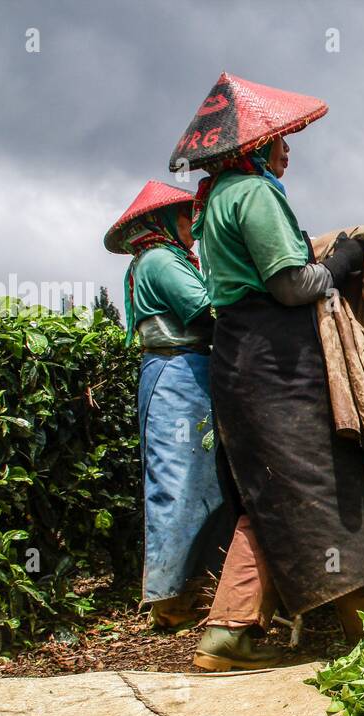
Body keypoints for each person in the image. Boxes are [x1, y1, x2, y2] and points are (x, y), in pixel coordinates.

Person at [169, 73, 364, 671]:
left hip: (241, 363)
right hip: (275, 366)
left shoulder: (214, 200)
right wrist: (340, 265)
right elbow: (290, 284)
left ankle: (229, 633)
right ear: (252, 149)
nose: (287, 148)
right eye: (281, 139)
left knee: (273, 493)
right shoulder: (254, 193)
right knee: (321, 485)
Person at [103, 180, 231, 627]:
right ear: (161, 222)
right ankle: (167, 599)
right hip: (175, 372)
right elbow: (202, 309)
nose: (191, 227)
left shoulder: (166, 258)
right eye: (183, 218)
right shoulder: (160, 259)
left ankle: (192, 586)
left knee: (201, 480)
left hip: (186, 372)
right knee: (177, 482)